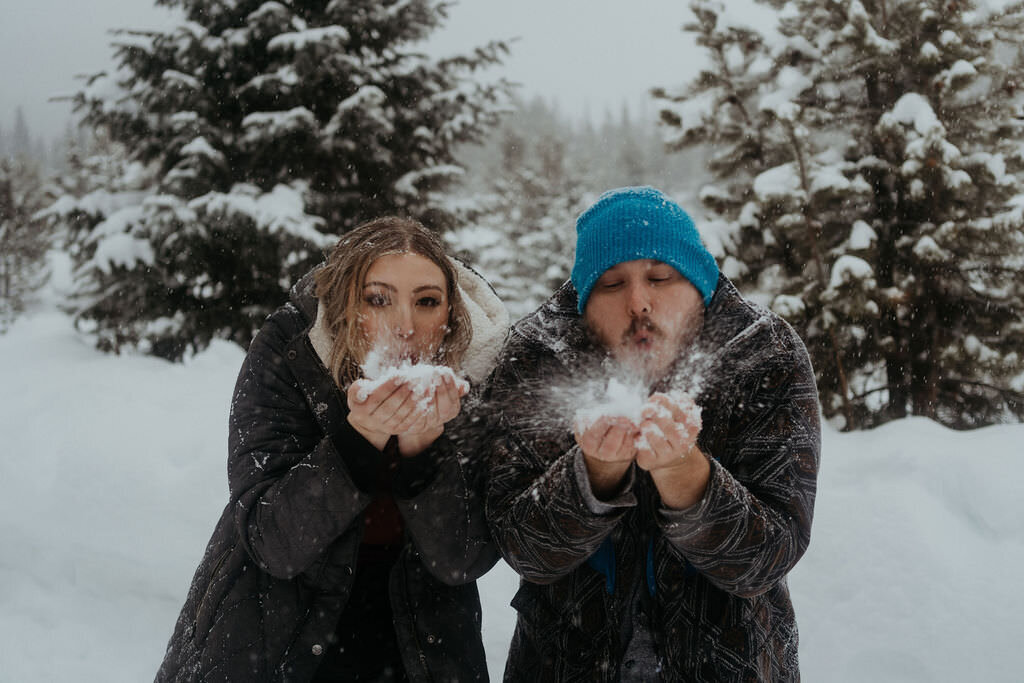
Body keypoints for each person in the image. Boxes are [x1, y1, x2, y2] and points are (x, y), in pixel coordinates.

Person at [483, 186, 821, 681]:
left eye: (661, 277)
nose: (639, 302)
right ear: (583, 302)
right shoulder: (537, 359)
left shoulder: (765, 356)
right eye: (612, 285)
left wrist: (686, 475)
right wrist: (593, 477)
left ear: (700, 285)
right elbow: (523, 549)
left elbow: (768, 557)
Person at [156, 216, 509, 682]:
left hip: (424, 644)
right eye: (377, 299)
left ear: (450, 315)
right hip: (266, 640)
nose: (405, 326)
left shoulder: (474, 377)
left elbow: (462, 559)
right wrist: (357, 442)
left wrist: (424, 447)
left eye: (427, 302)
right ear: (346, 305)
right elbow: (272, 541)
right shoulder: (291, 352)